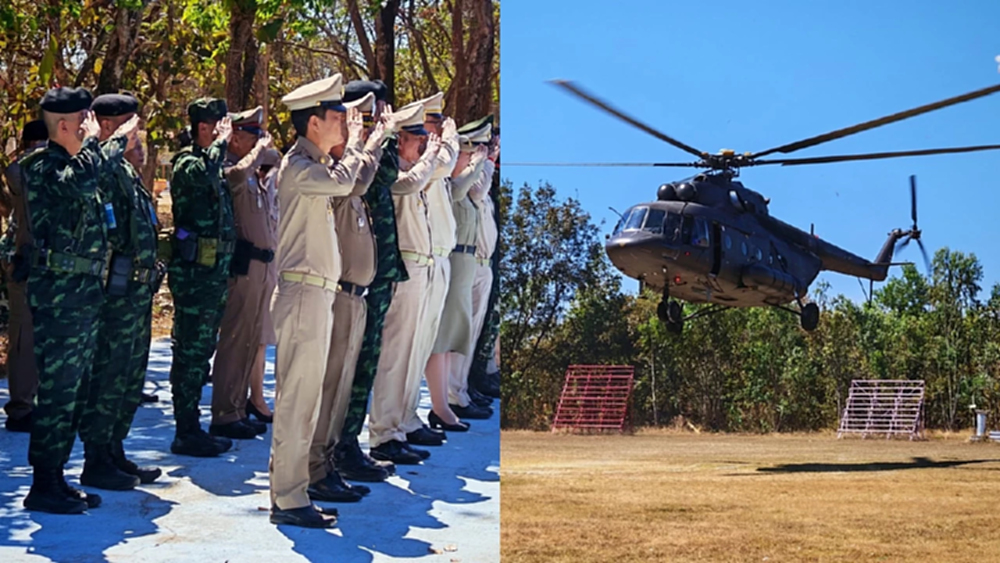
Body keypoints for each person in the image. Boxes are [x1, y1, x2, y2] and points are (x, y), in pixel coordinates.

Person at [21, 86, 138, 514]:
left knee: (76, 392)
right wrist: (100, 143)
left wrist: (98, 148)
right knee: (57, 393)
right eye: (85, 121)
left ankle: (59, 477)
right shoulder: (42, 167)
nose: (90, 127)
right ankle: (43, 482)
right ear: (66, 126)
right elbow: (78, 183)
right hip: (60, 301)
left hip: (86, 296)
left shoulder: (81, 165)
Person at [269, 73, 369, 528]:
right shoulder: (300, 167)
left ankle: (294, 491)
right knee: (296, 401)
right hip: (304, 292)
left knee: (307, 400)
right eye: (337, 115)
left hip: (316, 293)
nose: (345, 121)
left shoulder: (315, 164)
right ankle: (287, 498)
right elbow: (346, 181)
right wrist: (368, 143)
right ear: (313, 124)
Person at [77, 93, 163, 490]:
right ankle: (96, 459)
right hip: (115, 296)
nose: (139, 138)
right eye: (130, 129)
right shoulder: (100, 168)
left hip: (137, 295)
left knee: (129, 377)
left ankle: (114, 450)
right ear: (108, 127)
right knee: (108, 375)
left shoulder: (127, 173)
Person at [307, 89, 388, 503]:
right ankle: (316, 470)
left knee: (340, 388)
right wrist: (364, 144)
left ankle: (327, 464)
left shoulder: (349, 176)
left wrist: (367, 145)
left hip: (355, 296)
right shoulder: (331, 174)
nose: (353, 128)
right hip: (337, 295)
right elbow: (356, 181)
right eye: (348, 121)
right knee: (328, 387)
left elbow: (364, 179)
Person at [335, 80, 409, 483]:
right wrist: (376, 137)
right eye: (376, 110)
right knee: (350, 364)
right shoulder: (351, 150)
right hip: (352, 273)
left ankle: (349, 444)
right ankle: (339, 446)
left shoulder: (376, 147)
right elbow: (376, 177)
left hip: (379, 267)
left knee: (366, 362)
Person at [368, 99, 442, 465]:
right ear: (400, 140)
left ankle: (396, 426)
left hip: (420, 267)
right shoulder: (396, 174)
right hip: (405, 269)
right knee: (394, 355)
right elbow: (408, 186)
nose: (424, 146)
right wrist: (431, 159)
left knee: (409, 354)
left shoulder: (414, 170)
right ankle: (383, 432)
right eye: (418, 139)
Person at [167, 98, 236, 457]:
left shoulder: (213, 166)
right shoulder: (187, 163)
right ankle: (185, 429)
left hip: (213, 274)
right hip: (194, 276)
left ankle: (192, 426)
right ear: (203, 128)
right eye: (218, 126)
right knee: (190, 351)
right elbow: (205, 174)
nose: (225, 133)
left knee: (202, 350)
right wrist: (221, 145)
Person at [209, 106, 275, 440]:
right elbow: (234, 178)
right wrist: (258, 151)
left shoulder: (253, 172)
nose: (259, 143)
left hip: (263, 266)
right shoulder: (230, 169)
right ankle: (224, 412)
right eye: (253, 136)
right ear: (234, 137)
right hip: (243, 266)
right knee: (235, 340)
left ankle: (238, 407)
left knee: (251, 340)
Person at [400, 92, 461, 445]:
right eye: (430, 126)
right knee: (410, 347)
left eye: (437, 128)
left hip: (437, 257)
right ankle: (401, 418)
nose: (432, 137)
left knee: (422, 344)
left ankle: (407, 416)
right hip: (423, 258)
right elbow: (448, 164)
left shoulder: (430, 161)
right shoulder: (429, 162)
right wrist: (449, 141)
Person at [430, 131, 490, 430]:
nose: (468, 162)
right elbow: (460, 187)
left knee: (455, 338)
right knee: (445, 339)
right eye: (465, 156)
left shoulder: (465, 192)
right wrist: (481, 164)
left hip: (466, 263)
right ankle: (443, 404)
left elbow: (473, 189)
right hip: (455, 262)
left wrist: (483, 164)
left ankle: (448, 401)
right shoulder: (450, 188)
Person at [448, 116, 498, 419]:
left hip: (481, 264)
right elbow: (477, 191)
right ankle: (454, 393)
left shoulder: (479, 175)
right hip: (468, 262)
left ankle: (461, 389)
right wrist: (487, 161)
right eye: (478, 147)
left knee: (472, 333)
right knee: (460, 334)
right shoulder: (470, 178)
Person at [2, 119, 47, 433]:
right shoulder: (24, 169)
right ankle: (20, 408)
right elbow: (15, 174)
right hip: (21, 261)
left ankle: (32, 399)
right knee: (24, 335)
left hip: (41, 262)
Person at [246, 147, 282, 424]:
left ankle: (257, 397)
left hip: (274, 268)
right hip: (261, 270)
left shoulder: (268, 190)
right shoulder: (263, 189)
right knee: (257, 339)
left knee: (263, 338)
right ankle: (255, 398)